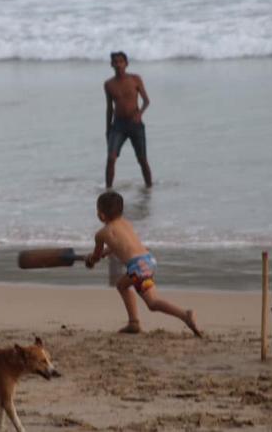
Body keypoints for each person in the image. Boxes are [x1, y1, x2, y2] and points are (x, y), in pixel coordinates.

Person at [85, 191, 201, 337]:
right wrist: (105, 253)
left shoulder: (101, 234)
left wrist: (91, 260)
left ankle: (185, 315)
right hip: (147, 260)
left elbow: (95, 256)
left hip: (137, 268)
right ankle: (133, 323)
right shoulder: (126, 223)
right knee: (122, 285)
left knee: (153, 303)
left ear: (101, 215)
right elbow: (120, 245)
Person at [104, 51, 152, 189]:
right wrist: (108, 129)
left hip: (135, 124)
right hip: (118, 125)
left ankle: (149, 189)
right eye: (116, 62)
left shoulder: (135, 79)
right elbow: (109, 108)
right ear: (111, 64)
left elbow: (146, 101)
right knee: (111, 158)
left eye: (121, 62)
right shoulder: (109, 84)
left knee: (142, 159)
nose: (118, 65)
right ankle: (108, 190)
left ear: (126, 64)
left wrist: (140, 114)